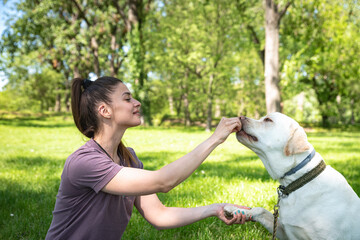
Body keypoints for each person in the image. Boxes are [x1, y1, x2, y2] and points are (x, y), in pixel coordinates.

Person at [45, 76, 249, 240]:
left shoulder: (128, 159)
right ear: (104, 111)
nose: (137, 102)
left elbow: (159, 215)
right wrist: (214, 139)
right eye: (127, 99)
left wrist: (215, 209)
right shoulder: (85, 162)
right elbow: (163, 181)